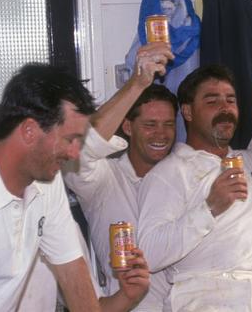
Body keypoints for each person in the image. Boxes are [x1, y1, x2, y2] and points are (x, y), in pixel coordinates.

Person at [0, 63, 147, 311]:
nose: (74, 153)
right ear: (28, 131)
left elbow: (72, 273)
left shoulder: (47, 183)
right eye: (70, 139)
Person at [137, 64, 252, 311]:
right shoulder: (169, 173)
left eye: (230, 100)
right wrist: (209, 208)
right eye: (212, 101)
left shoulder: (251, 161)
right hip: (204, 295)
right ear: (188, 112)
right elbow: (149, 253)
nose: (225, 108)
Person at [63, 41, 177, 310]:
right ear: (127, 126)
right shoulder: (103, 178)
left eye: (168, 125)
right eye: (150, 125)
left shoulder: (185, 174)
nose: (161, 134)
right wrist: (136, 84)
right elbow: (81, 148)